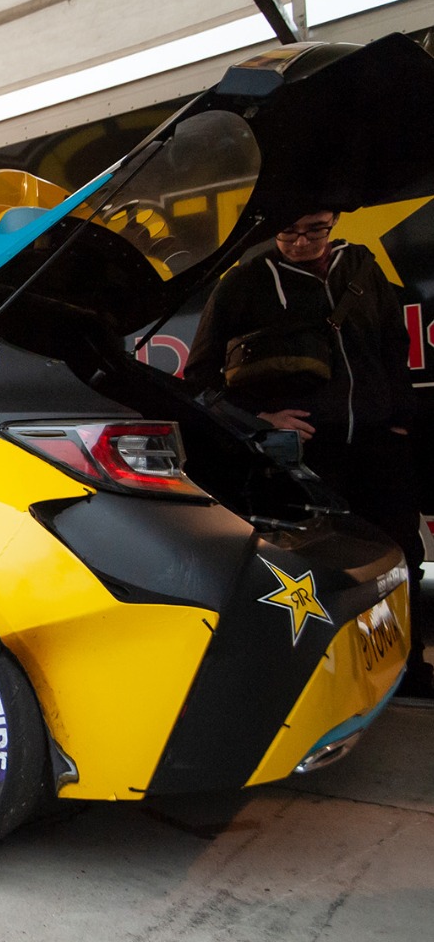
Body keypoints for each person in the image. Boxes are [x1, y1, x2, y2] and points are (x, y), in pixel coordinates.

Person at [185, 208, 430, 698]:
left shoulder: (361, 267)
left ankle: (408, 668)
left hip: (378, 445)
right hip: (307, 453)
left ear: (333, 220)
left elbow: (393, 343)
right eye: (289, 232)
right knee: (319, 568)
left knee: (401, 555)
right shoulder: (245, 281)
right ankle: (327, 680)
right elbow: (200, 378)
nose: (301, 242)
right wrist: (261, 420)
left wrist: (399, 413)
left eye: (315, 229)